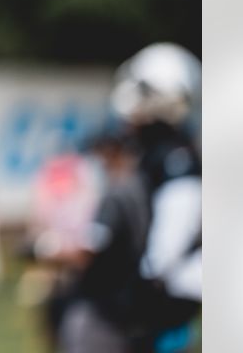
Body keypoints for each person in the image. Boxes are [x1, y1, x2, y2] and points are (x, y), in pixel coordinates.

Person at [54, 43, 202, 353]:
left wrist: (148, 284)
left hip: (156, 306)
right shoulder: (159, 157)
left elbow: (167, 250)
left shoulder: (176, 162)